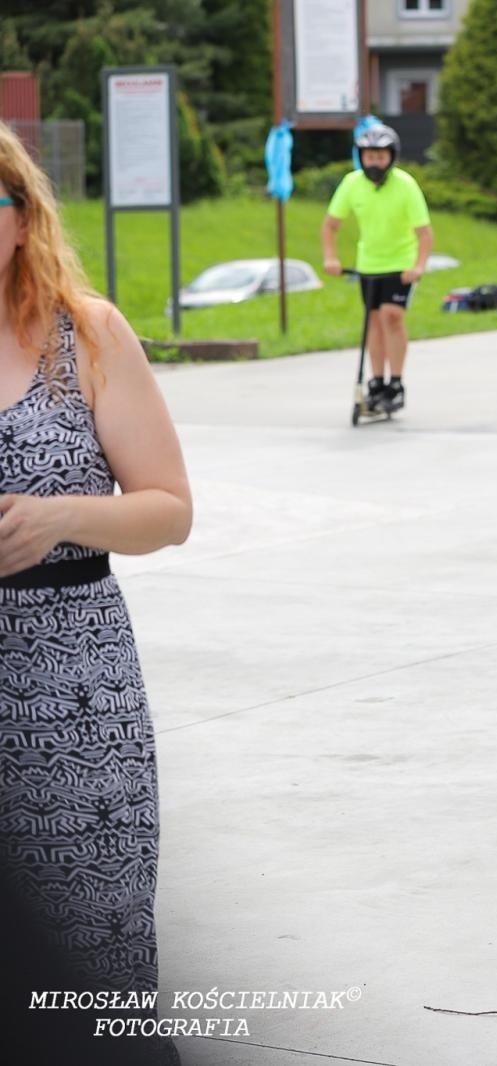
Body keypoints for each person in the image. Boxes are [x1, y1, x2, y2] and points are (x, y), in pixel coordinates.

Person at [0, 122, 193, 1057]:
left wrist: (59, 517)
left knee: (91, 959)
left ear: (22, 213)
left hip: (75, 693)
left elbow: (168, 509)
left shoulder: (88, 333)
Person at [321, 123, 432, 414]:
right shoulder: (352, 184)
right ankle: (377, 381)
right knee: (373, 321)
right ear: (361, 157)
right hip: (369, 265)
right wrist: (331, 258)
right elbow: (331, 226)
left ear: (391, 157)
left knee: (391, 316)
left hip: (401, 265)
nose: (374, 163)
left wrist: (418, 266)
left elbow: (424, 233)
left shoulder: (406, 185)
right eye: (369, 157)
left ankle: (395, 383)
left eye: (380, 157)